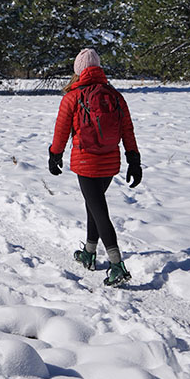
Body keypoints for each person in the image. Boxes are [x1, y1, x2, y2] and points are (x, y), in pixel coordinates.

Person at [47, 47, 141, 286]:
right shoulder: (115, 96)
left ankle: (117, 264)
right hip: (110, 163)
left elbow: (61, 131)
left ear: (78, 72)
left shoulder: (73, 97)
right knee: (94, 204)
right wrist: (134, 160)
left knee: (99, 211)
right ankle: (89, 252)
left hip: (86, 162)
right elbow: (127, 130)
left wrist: (54, 155)